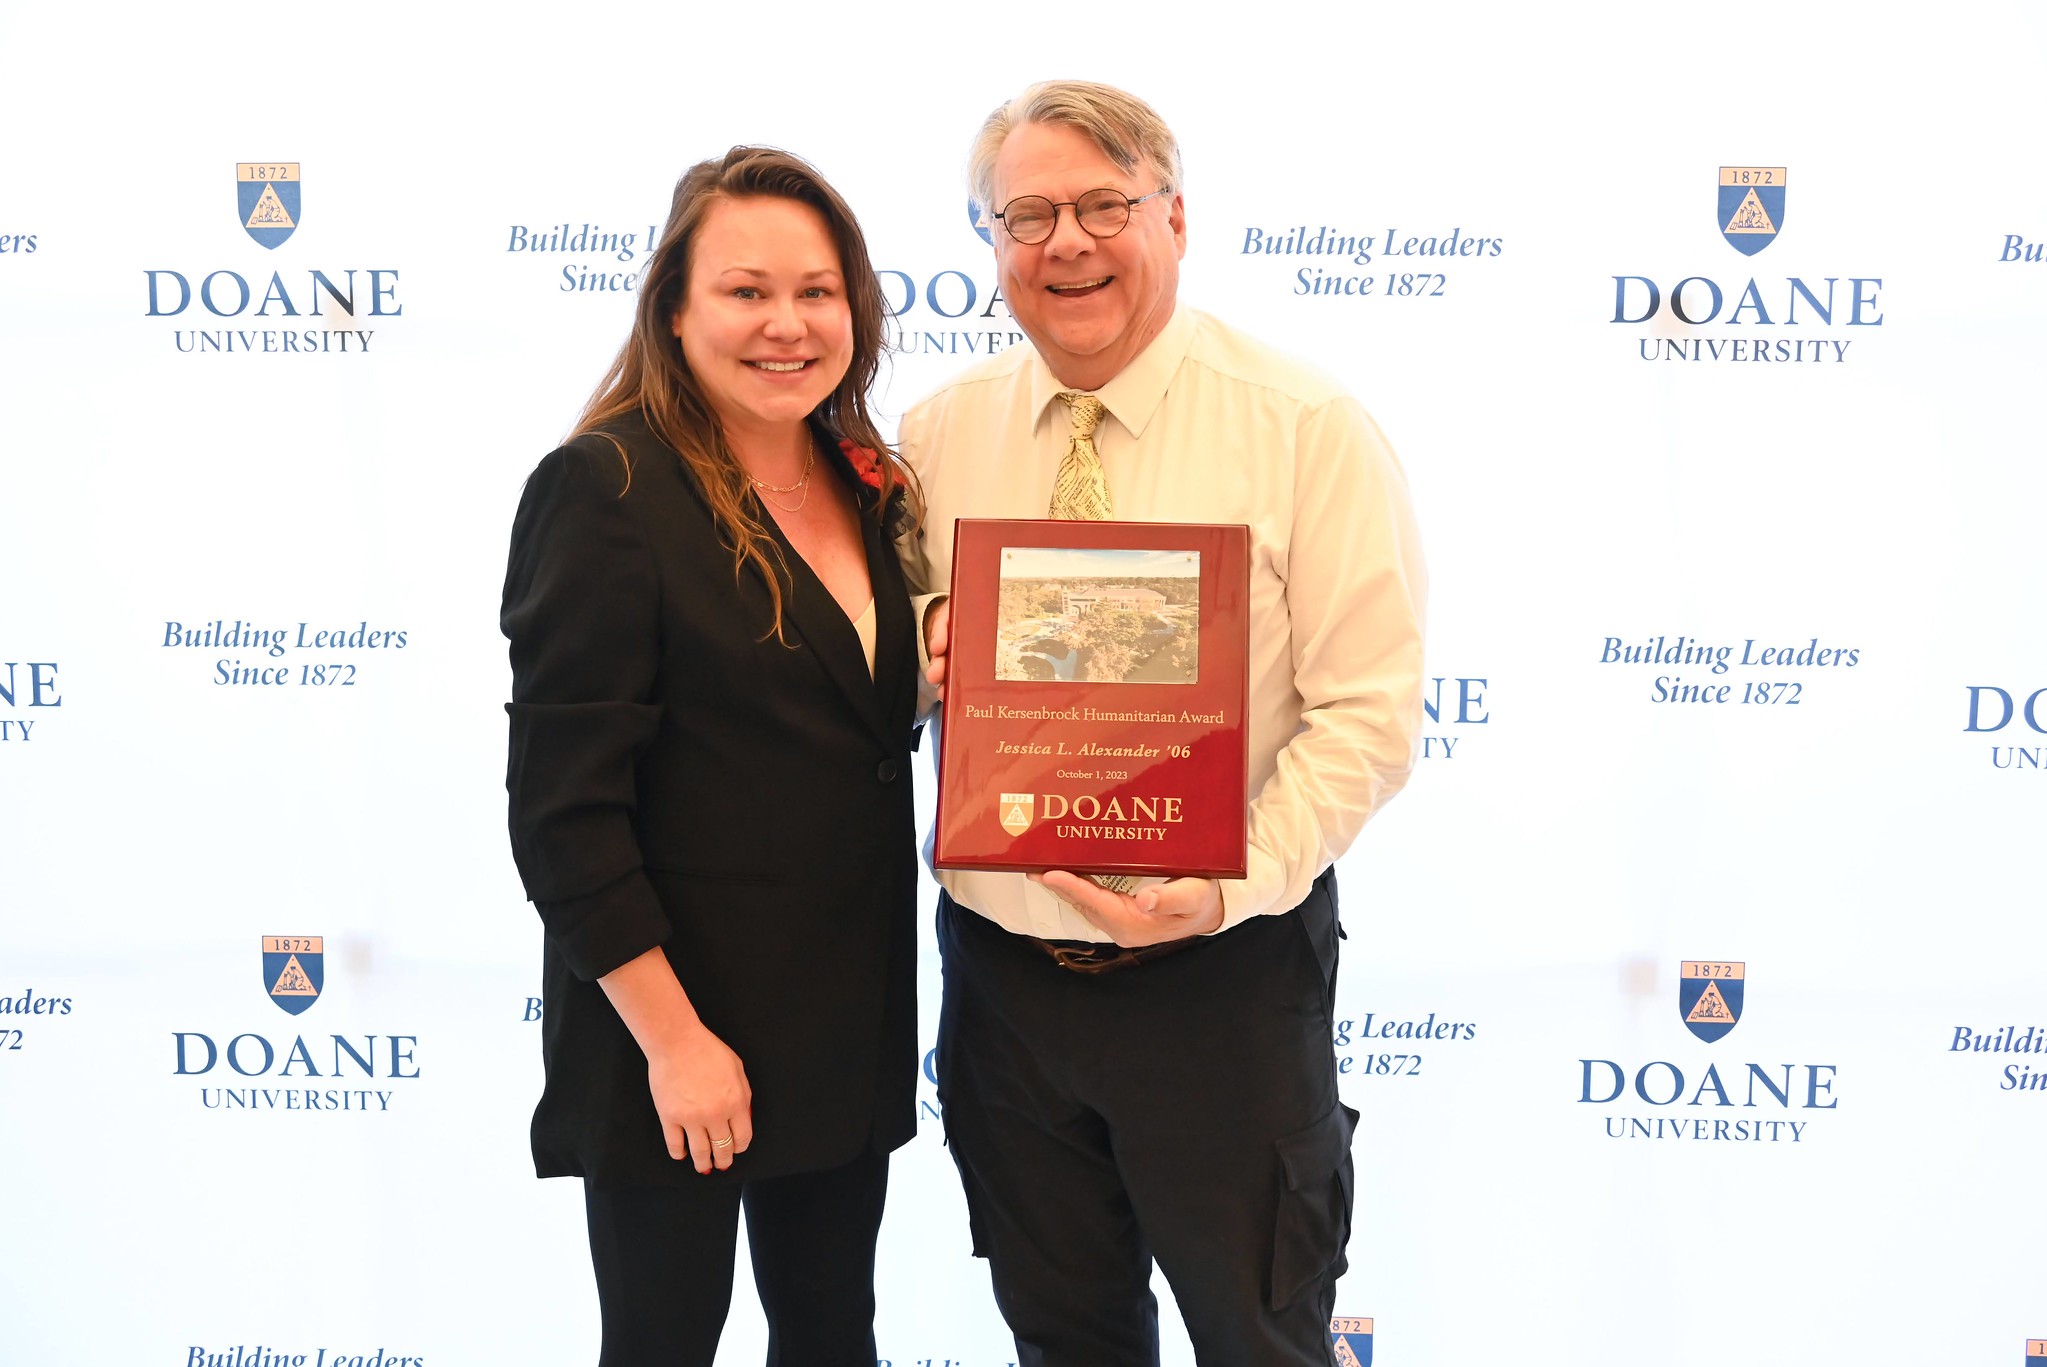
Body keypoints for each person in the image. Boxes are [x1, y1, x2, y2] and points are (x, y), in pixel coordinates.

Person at [899, 82, 1426, 1365]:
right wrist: (928, 650)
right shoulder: (934, 433)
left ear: (1175, 218)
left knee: (1263, 1339)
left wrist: (1228, 875)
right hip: (1005, 985)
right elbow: (892, 669)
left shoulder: (1307, 429)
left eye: (1101, 205)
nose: (1064, 242)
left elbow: (1369, 713)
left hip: (1224, 984)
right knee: (1063, 1339)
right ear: (989, 245)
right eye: (1024, 215)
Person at [501, 146, 922, 1367]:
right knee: (662, 1343)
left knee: (835, 1336)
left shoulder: (865, 479)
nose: (786, 324)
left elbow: (825, 716)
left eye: (817, 290)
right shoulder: (605, 489)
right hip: (672, 1035)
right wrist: (676, 1043)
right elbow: (563, 817)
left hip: (843, 1018)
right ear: (675, 310)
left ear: (857, 308)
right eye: (746, 291)